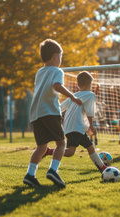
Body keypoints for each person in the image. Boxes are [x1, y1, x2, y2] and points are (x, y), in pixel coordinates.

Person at [23, 39, 82, 188]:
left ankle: (30, 175)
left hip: (36, 114)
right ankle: (53, 171)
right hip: (49, 111)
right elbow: (56, 86)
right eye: (60, 56)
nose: (61, 60)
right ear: (55, 56)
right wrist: (73, 96)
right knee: (61, 143)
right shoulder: (57, 71)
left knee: (41, 147)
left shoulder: (39, 72)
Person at [44, 71, 108, 173]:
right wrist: (91, 126)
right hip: (76, 127)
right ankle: (49, 151)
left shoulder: (74, 95)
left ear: (78, 85)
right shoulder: (91, 95)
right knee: (72, 151)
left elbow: (61, 107)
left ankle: (102, 168)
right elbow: (90, 112)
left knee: (86, 149)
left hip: (70, 126)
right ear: (91, 84)